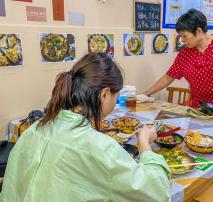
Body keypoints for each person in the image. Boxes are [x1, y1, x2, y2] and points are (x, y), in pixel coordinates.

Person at [0, 53, 170, 202]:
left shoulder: (35, 127)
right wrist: (145, 145)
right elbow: (156, 192)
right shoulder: (100, 148)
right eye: (116, 97)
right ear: (104, 94)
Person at [144, 9, 213, 118]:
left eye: (184, 36)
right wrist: (146, 93)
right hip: (200, 109)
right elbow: (168, 77)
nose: (182, 40)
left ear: (198, 31)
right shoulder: (185, 54)